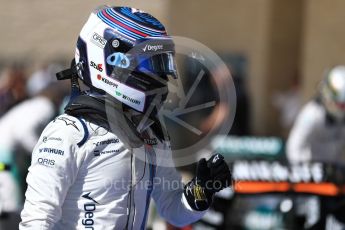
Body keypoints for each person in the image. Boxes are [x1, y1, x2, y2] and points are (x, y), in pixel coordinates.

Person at [19, 6, 231, 229]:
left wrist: (202, 188)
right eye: (150, 63)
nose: (160, 76)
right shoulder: (69, 133)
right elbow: (36, 221)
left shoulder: (150, 134)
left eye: (161, 64)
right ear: (112, 60)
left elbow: (173, 210)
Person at [286, 65, 345, 229]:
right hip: (310, 179)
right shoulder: (312, 114)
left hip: (335, 178)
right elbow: (294, 147)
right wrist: (305, 172)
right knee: (313, 222)